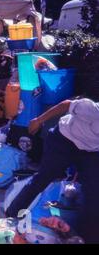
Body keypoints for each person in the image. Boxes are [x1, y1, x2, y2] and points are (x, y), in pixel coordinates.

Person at [6, 98, 99, 243]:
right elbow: (66, 104)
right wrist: (38, 120)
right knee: (44, 178)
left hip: (90, 150)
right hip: (64, 139)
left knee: (93, 192)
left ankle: (84, 237)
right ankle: (11, 216)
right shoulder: (93, 110)